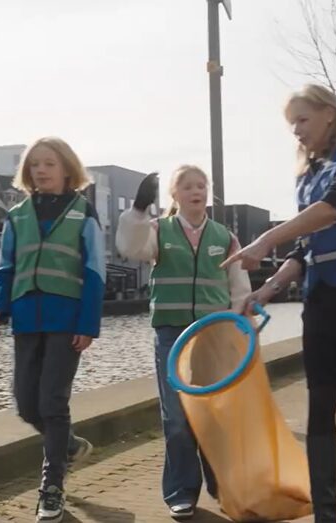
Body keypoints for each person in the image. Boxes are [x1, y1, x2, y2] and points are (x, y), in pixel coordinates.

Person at [222, 84, 336, 523]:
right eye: (292, 125)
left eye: (303, 120)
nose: (297, 132)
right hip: (324, 300)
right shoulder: (307, 175)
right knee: (319, 403)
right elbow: (306, 247)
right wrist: (267, 289)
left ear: (329, 114)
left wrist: (265, 238)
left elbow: (335, 208)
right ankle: (326, 513)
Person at [115, 165, 251, 520]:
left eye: (202, 185)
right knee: (176, 417)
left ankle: (222, 485)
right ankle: (180, 491)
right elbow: (129, 247)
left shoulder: (225, 237)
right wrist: (139, 211)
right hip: (172, 336)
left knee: (213, 415)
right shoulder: (159, 230)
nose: (197, 191)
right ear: (174, 195)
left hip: (213, 336)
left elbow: (239, 288)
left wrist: (239, 326)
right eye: (188, 186)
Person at [0, 137, 105, 523]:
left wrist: (88, 324)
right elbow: (6, 268)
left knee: (52, 402)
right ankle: (68, 445)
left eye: (49, 163)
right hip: (26, 318)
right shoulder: (17, 215)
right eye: (34, 164)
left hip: (66, 319)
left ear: (67, 169)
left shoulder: (83, 212)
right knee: (24, 401)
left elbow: (94, 272)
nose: (41, 170)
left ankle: (51, 488)